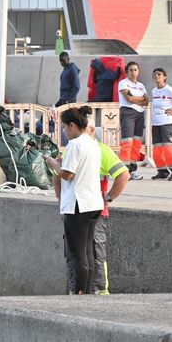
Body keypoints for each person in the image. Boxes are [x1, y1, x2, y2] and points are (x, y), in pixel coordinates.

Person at [63, 122, 129, 295]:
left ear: (92, 131)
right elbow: (60, 177)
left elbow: (123, 174)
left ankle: (98, 292)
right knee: (75, 254)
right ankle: (77, 291)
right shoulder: (72, 148)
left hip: (92, 210)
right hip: (75, 209)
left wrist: (108, 198)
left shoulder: (101, 150)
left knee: (93, 253)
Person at [44, 106, 104, 295]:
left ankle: (79, 291)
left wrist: (52, 163)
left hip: (78, 204)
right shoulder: (92, 143)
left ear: (72, 125)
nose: (63, 131)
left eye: (64, 127)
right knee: (87, 250)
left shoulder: (75, 144)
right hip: (93, 202)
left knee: (78, 252)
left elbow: (67, 174)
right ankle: (87, 290)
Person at [117, 61, 147, 178]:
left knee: (136, 143)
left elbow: (146, 101)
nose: (133, 72)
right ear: (127, 71)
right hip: (128, 113)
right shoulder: (123, 83)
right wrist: (139, 99)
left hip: (140, 114)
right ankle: (124, 170)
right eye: (131, 70)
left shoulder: (141, 85)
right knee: (127, 142)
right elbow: (128, 99)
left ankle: (133, 169)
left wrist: (135, 98)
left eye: (135, 70)